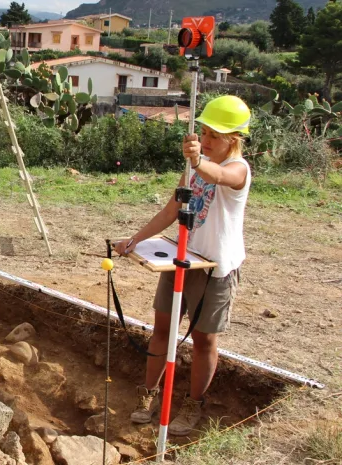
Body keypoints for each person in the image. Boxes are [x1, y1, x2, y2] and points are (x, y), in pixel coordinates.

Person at [115, 95, 252, 436]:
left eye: (213, 136)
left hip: (214, 269)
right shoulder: (195, 165)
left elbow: (219, 175)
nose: (205, 141)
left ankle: (193, 404)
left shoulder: (239, 170)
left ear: (233, 139)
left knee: (204, 341)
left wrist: (196, 160)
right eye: (203, 133)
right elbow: (171, 211)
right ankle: (148, 394)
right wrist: (135, 239)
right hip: (182, 260)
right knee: (162, 328)